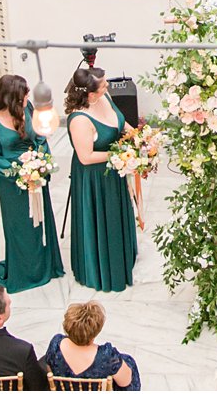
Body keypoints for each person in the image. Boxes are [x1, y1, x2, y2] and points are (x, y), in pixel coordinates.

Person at [0, 73, 65, 293]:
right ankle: (24, 272)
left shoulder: (28, 110)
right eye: (24, 92)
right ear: (11, 97)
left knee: (40, 224)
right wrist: (20, 172)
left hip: (36, 177)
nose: (28, 95)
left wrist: (39, 164)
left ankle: (44, 268)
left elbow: (40, 138)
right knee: (19, 227)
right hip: (12, 185)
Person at [66, 65, 137, 292]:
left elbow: (120, 122)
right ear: (90, 94)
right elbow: (86, 157)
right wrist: (121, 155)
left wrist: (138, 137)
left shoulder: (103, 96)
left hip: (114, 171)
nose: (108, 86)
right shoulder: (80, 119)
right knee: (102, 219)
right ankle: (102, 270)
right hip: (94, 179)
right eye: (103, 84)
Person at [44, 300, 141, 390]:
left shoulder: (56, 344)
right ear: (96, 331)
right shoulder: (106, 356)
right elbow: (125, 382)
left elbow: (49, 369)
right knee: (129, 362)